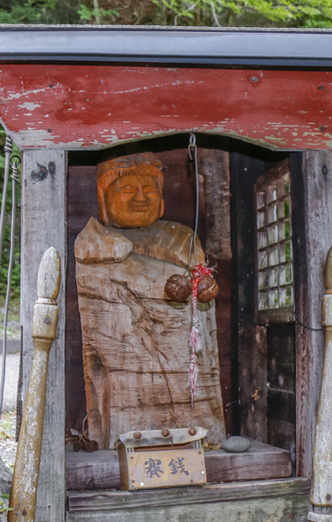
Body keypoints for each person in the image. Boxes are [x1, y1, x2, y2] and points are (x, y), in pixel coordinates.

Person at [74, 152, 226, 451]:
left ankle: (197, 436)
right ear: (103, 199)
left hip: (180, 352)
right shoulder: (94, 241)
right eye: (127, 189)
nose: (140, 198)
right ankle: (125, 440)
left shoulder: (180, 237)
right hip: (125, 349)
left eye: (150, 190)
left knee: (191, 393)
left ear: (163, 200)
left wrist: (202, 286)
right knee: (125, 395)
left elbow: (199, 278)